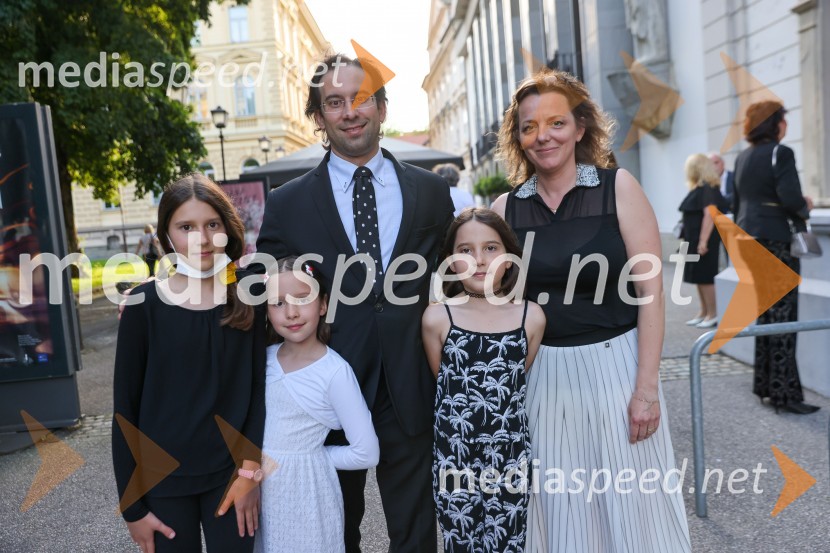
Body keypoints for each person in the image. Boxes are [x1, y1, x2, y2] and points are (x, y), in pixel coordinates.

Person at [256, 53, 455, 552]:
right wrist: (171, 300)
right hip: (325, 394)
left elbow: (458, 280)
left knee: (416, 534)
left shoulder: (432, 193)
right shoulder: (288, 202)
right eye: (335, 103)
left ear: (382, 108)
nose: (350, 112)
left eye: (361, 99)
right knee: (333, 533)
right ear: (319, 117)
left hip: (411, 384)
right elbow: (265, 291)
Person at [491, 68, 691, 552]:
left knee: (633, 503)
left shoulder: (618, 187)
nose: (543, 137)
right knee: (561, 506)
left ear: (580, 128)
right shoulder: (505, 210)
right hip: (542, 378)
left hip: (617, 369)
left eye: (556, 123)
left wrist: (647, 389)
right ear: (517, 138)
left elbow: (650, 294)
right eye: (529, 127)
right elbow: (494, 309)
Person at [113, 173, 266, 553]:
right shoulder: (143, 306)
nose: (201, 237)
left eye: (212, 224)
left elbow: (259, 394)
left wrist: (249, 474)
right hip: (161, 483)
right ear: (166, 236)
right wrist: (132, 509)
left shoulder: (249, 293)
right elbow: (125, 412)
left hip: (230, 479)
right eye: (186, 226)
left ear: (227, 229)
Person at [423, 207, 545, 552]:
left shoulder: (531, 316)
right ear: (449, 261)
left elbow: (517, 377)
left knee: (509, 542)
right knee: (460, 541)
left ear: (509, 259)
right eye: (466, 250)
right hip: (454, 455)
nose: (479, 260)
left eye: (491, 248)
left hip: (510, 456)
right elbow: (442, 379)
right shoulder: (437, 318)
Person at [256, 256, 379, 552]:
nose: (292, 312)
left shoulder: (333, 372)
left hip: (307, 492)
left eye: (303, 298)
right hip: (259, 489)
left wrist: (311, 458)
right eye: (278, 303)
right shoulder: (262, 360)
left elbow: (367, 452)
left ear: (323, 304)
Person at [733, 101, 819, 415]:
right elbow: (791, 198)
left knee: (766, 313)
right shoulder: (780, 153)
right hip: (775, 241)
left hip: (749, 239)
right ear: (775, 124)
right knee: (783, 315)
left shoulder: (742, 157)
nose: (786, 126)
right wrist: (805, 204)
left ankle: (766, 385)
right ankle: (785, 395)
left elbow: (737, 202)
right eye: (784, 120)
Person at [678, 153, 729, 328]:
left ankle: (713, 314)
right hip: (693, 238)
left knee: (706, 276)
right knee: (697, 276)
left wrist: (703, 241)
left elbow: (710, 214)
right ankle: (704, 311)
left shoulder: (709, 187)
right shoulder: (699, 188)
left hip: (703, 239)